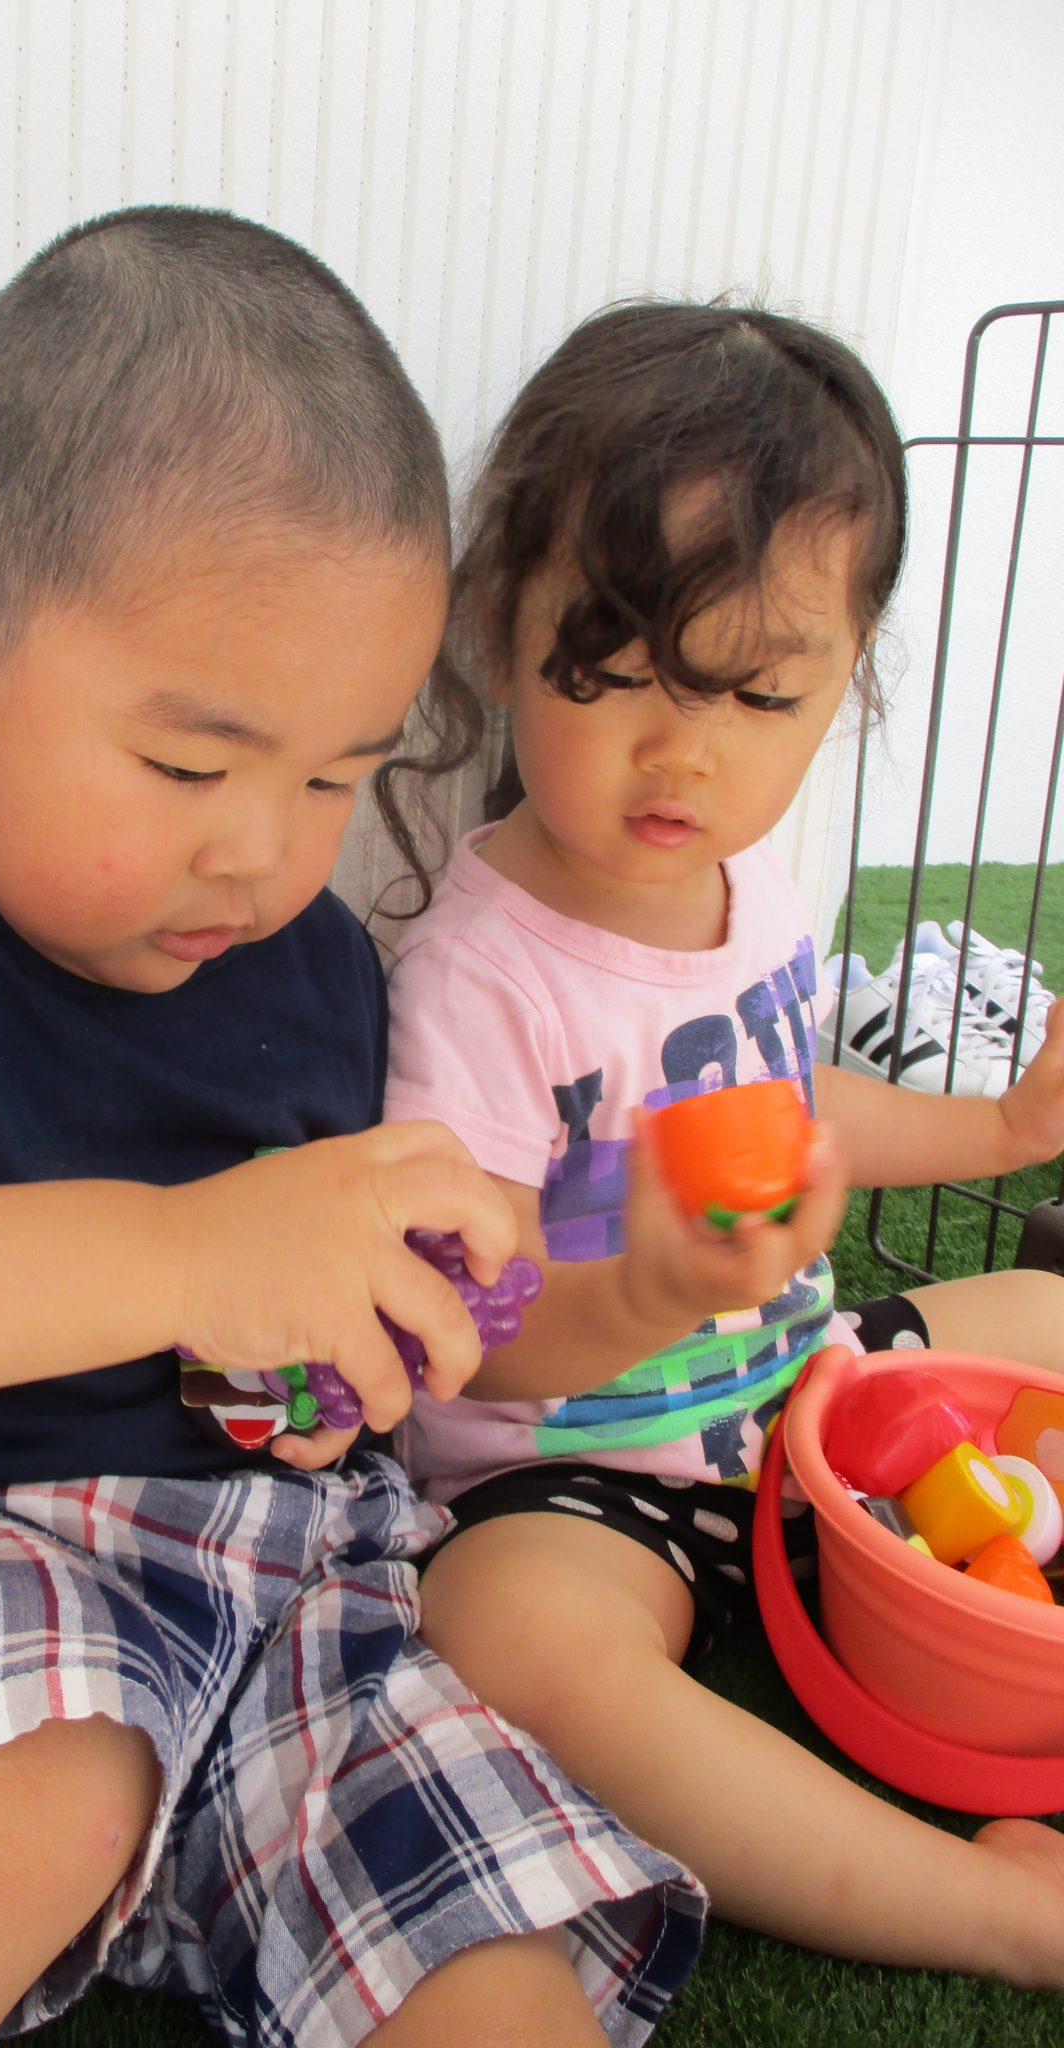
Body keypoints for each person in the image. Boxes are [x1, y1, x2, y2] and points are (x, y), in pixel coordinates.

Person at [0, 213, 704, 2048]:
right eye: (191, 765)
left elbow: (423, 1352)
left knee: (489, 1943)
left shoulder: (323, 968)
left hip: (300, 1611)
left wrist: (626, 1284)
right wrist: (187, 1250)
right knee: (41, 1788)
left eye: (338, 775)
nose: (264, 848)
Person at [382, 301, 1064, 1989]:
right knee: (508, 1641)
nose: (681, 749)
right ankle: (988, 1914)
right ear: (494, 627)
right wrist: (648, 1285)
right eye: (609, 670)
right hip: (588, 1473)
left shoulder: (755, 891)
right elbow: (457, 1327)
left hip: (801, 1383)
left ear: (846, 679)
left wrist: (1004, 1124)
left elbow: (800, 1106)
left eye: (760, 692)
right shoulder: (474, 977)